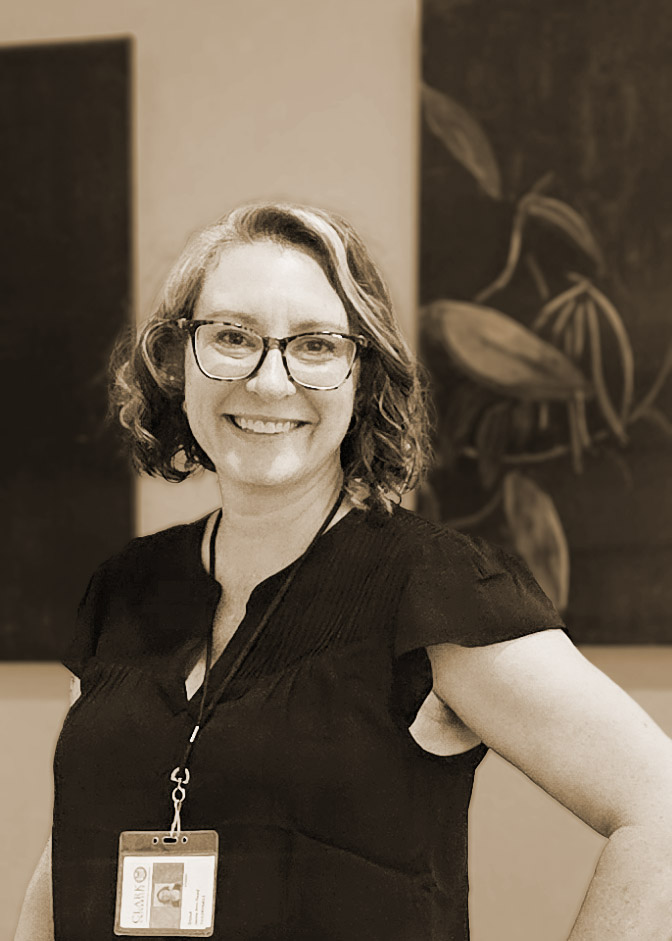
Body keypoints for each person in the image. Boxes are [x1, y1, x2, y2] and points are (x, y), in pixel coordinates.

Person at [15, 202, 672, 941]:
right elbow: (74, 851)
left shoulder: (430, 585)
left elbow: (661, 806)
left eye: (317, 345)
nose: (268, 381)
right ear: (177, 358)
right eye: (231, 336)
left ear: (365, 376)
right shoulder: (123, 589)